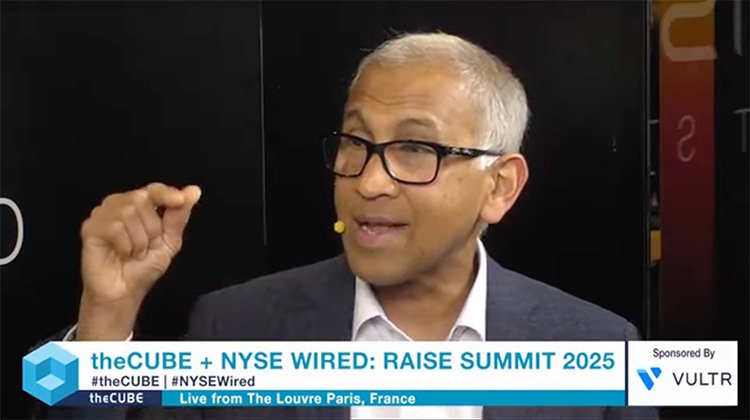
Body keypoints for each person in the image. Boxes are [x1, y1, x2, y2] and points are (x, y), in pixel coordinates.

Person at [43, 32, 657, 419]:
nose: (369, 182)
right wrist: (105, 320)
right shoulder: (235, 329)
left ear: (500, 187)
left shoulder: (600, 351)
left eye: (415, 148)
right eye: (355, 143)